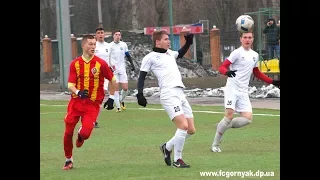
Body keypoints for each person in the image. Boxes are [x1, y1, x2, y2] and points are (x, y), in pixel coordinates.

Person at [210, 31, 280, 153]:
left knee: (247, 119)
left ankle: (223, 125)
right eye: (245, 37)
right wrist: (226, 72)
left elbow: (256, 72)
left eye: (250, 37)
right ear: (241, 39)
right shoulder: (237, 52)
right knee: (229, 116)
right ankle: (215, 145)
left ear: (253, 39)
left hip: (243, 90)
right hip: (232, 88)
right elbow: (222, 66)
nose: (247, 39)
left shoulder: (255, 55)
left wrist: (272, 81)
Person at [136, 30, 195, 168]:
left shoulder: (170, 53)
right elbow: (142, 76)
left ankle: (167, 147)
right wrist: (140, 94)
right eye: (166, 39)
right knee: (183, 126)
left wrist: (188, 43)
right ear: (158, 42)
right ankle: (177, 160)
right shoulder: (150, 57)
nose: (169, 41)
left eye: (169, 39)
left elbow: (179, 53)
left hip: (180, 93)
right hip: (169, 94)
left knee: (191, 129)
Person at [62, 34, 117, 170]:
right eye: (91, 44)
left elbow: (113, 80)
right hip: (76, 103)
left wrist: (111, 97)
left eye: (94, 44)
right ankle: (68, 159)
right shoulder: (75, 64)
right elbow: (70, 85)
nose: (93, 47)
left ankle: (81, 135)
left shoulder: (100, 63)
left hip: (92, 105)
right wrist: (78, 92)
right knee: (68, 133)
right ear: (84, 45)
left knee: (86, 133)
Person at [109, 29, 135, 112]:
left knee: (125, 88)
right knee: (116, 88)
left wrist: (132, 64)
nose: (118, 36)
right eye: (116, 34)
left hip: (122, 69)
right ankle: (118, 107)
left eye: (119, 35)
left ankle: (121, 100)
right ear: (113, 36)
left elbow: (128, 55)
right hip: (114, 70)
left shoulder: (123, 45)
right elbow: (107, 57)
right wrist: (109, 66)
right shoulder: (110, 46)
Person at [94, 27, 111, 128]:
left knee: (101, 96)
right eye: (98, 33)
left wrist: (111, 68)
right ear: (96, 35)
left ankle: (95, 120)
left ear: (104, 35)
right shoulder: (93, 46)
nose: (100, 34)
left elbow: (109, 60)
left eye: (102, 33)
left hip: (104, 75)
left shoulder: (108, 46)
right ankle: (90, 117)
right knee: (93, 97)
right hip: (94, 75)